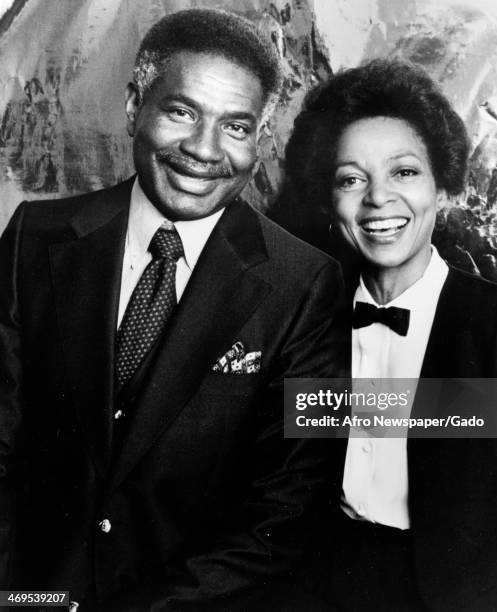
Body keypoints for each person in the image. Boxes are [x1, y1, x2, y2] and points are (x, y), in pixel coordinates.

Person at [0, 9, 348, 610]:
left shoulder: (306, 284)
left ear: (261, 142)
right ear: (136, 104)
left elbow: (287, 504)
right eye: (182, 112)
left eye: (236, 127)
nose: (204, 150)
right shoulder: (37, 235)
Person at [277, 59, 497, 611]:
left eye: (404, 172)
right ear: (330, 201)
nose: (377, 199)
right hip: (321, 588)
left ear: (444, 189)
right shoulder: (305, 317)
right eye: (352, 178)